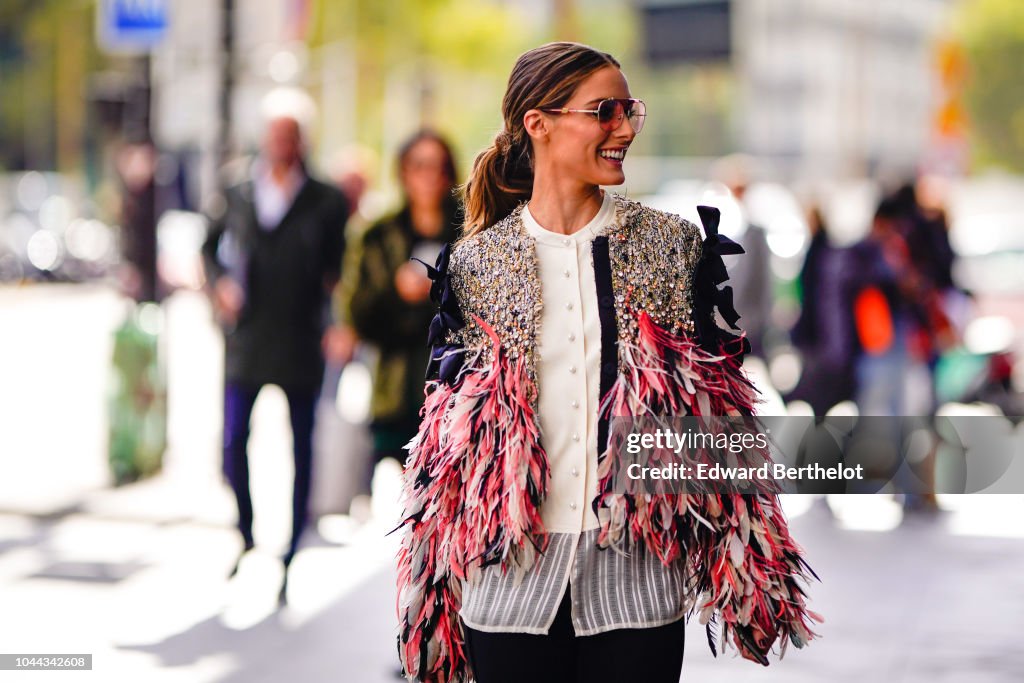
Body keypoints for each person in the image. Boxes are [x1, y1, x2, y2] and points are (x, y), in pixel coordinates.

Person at [394, 42, 822, 683]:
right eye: (605, 111)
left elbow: (717, 409)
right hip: (507, 583)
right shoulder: (475, 264)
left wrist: (753, 561)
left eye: (630, 111)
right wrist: (430, 592)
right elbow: (447, 447)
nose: (623, 127)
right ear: (538, 123)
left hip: (636, 580)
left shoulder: (671, 245)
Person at [201, 113, 349, 602]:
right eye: (275, 135)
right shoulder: (239, 189)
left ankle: (291, 546)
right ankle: (245, 530)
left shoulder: (325, 199)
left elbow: (338, 266)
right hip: (247, 336)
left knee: (300, 444)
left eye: (290, 136)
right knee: (232, 438)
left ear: (301, 142)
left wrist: (338, 322)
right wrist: (220, 287)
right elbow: (208, 245)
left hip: (301, 337)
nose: (282, 144)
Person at [337, 130, 461, 499]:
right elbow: (356, 313)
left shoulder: (471, 229)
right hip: (396, 386)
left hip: (457, 385)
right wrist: (397, 291)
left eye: (437, 166)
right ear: (403, 172)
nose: (428, 176)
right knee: (411, 500)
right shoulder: (377, 233)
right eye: (418, 165)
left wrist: (440, 291)